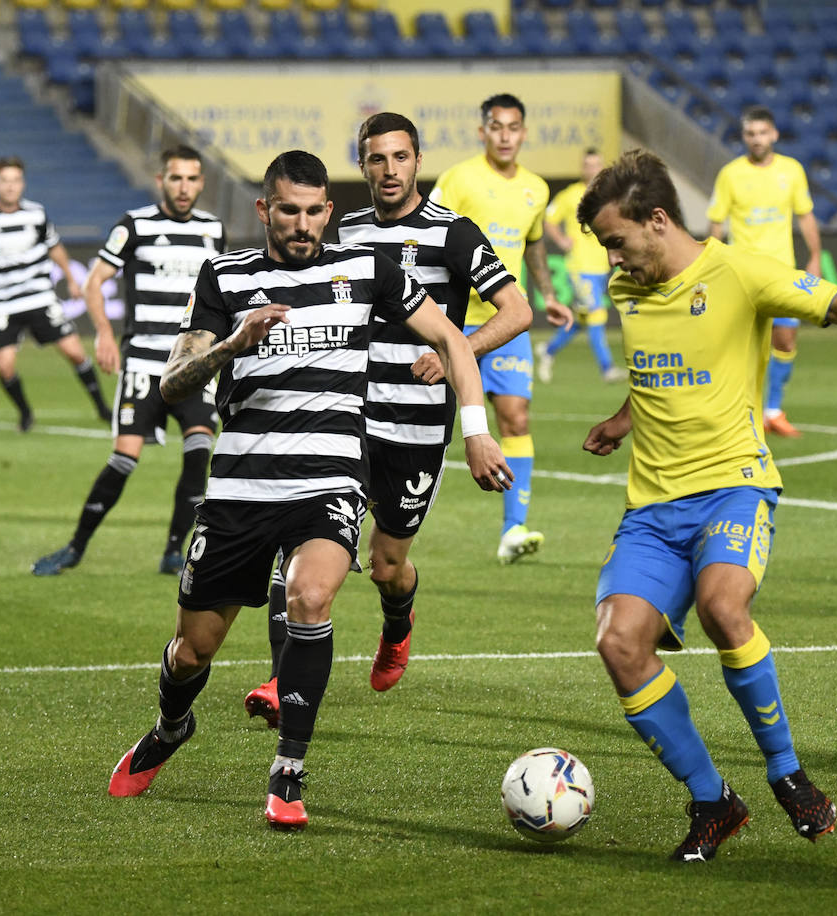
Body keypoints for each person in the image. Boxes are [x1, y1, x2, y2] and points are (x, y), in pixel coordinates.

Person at [107, 150, 513, 831]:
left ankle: (289, 770)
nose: (301, 225)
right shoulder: (225, 276)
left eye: (313, 211)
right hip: (240, 486)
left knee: (312, 595)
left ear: (329, 211)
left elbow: (451, 338)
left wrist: (476, 431)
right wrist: (232, 345)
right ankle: (172, 726)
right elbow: (173, 382)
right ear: (265, 210)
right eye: (287, 211)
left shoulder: (366, 270)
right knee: (193, 650)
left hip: (328, 477)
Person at [577, 149, 837, 861]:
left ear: (658, 220)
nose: (613, 261)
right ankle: (714, 800)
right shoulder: (629, 291)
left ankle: (788, 774)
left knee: (723, 607)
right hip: (652, 509)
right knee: (618, 642)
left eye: (617, 242)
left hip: (733, 486)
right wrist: (625, 417)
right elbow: (663, 369)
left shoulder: (739, 271)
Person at [242, 113, 569, 722]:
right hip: (345, 419)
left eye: (400, 158)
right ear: (361, 165)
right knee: (302, 550)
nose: (389, 170)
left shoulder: (454, 234)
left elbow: (517, 309)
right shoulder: (344, 232)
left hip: (417, 428)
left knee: (386, 565)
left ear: (418, 162)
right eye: (376, 159)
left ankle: (398, 620)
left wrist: (455, 351)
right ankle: (280, 681)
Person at [31, 146, 225, 577]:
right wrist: (103, 333)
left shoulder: (213, 230)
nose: (184, 187)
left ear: (201, 183)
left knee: (198, 451)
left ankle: (175, 553)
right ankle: (76, 548)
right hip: (143, 364)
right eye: (176, 178)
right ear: (161, 180)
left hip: (192, 366)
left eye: (192, 179)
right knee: (125, 458)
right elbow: (94, 282)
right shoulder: (135, 225)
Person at [429, 93, 556, 564]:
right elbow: (426, 235)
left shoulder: (536, 189)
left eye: (513, 127)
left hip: (504, 325)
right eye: (496, 127)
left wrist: (548, 294)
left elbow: (535, 243)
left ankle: (512, 527)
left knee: (516, 419)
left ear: (524, 132)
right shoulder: (458, 180)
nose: (505, 135)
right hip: (451, 323)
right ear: (482, 131)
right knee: (424, 425)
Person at [0, 156, 111, 432]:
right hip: (4, 303)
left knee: (75, 353)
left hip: (39, 297)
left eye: (15, 181)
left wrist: (71, 279)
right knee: (4, 367)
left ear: (22, 184)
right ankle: (25, 413)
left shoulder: (36, 214)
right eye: (4, 181)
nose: (10, 187)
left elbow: (54, 247)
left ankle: (102, 408)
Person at [707, 106, 823, 439]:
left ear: (774, 134)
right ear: (744, 138)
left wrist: (814, 256)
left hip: (782, 272)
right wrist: (711, 267)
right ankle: (748, 412)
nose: (756, 139)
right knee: (742, 347)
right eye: (750, 134)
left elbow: (806, 216)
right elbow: (717, 223)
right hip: (741, 274)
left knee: (785, 341)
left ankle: (773, 410)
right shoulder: (730, 174)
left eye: (762, 132)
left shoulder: (792, 170)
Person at [536, 147, 627, 385]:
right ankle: (607, 369)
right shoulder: (570, 195)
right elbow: (550, 219)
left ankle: (548, 351)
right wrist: (561, 240)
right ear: (582, 168)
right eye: (588, 165)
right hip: (579, 266)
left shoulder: (609, 196)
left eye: (596, 164)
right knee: (597, 314)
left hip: (601, 266)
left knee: (579, 320)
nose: (592, 169)